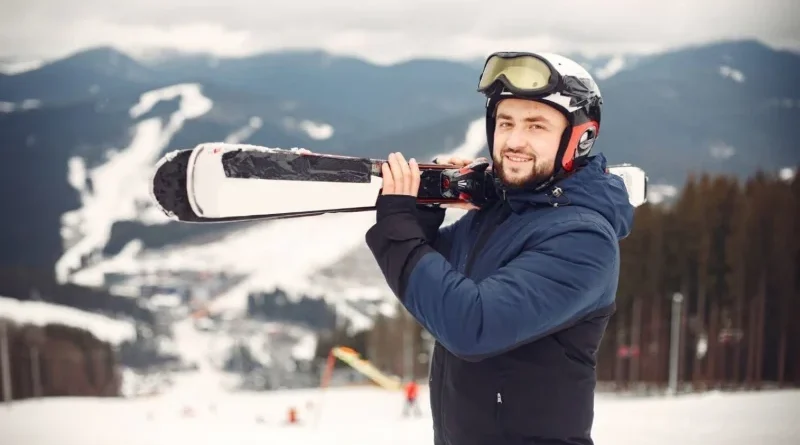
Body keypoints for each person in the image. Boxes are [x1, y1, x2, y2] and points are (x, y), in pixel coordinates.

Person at [364, 51, 635, 445]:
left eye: (536, 125)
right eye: (505, 122)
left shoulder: (583, 239)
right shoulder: (501, 214)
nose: (514, 140)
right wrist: (424, 209)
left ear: (580, 138)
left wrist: (397, 227)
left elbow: (470, 324)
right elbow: (433, 282)